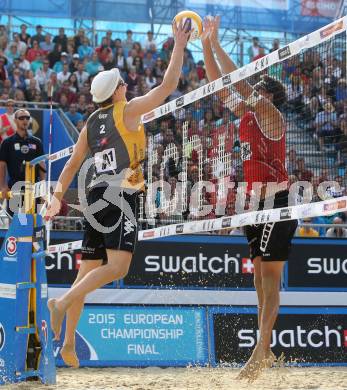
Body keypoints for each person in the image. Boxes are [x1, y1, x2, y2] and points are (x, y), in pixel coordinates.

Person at [45, 22, 190, 368]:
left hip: (95, 195)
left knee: (87, 274)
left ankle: (67, 343)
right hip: (121, 194)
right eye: (123, 82)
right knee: (119, 266)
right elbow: (169, 85)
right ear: (117, 92)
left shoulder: (91, 122)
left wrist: (56, 197)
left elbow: (70, 167)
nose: (127, 83)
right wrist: (180, 44)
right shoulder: (126, 110)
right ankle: (60, 303)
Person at [201, 16, 297, 380]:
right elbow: (218, 85)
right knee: (258, 279)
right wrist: (206, 45)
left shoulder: (271, 116)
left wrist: (219, 46)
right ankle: (266, 349)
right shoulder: (245, 117)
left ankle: (260, 350)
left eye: (257, 88)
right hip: (253, 206)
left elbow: (236, 81)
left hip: (277, 203)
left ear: (268, 95)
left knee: (270, 280)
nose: (249, 91)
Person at [0, 108, 45, 212]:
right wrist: (3, 186)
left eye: (27, 118)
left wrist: (43, 187)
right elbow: (2, 166)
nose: (25, 120)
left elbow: (42, 164)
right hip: (15, 186)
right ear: (15, 120)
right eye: (21, 118)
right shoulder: (7, 142)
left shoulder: (36, 142)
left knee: (33, 223)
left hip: (34, 187)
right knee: (15, 222)